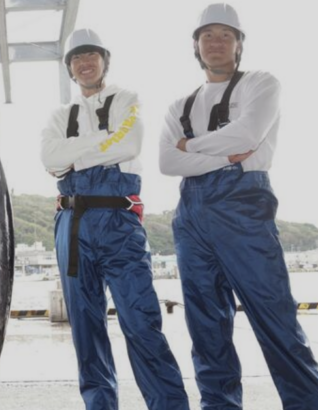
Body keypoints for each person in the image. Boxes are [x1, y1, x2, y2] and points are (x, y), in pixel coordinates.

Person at [160, 3, 318, 408]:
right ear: (195, 45)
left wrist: (190, 146)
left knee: (274, 318)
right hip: (191, 215)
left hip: (244, 205)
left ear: (239, 44)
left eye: (225, 35)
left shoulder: (261, 83)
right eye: (207, 35)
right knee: (206, 326)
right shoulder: (179, 104)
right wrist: (223, 151)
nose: (215, 42)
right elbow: (167, 162)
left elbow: (248, 133)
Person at [40, 28, 189, 410]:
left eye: (91, 55)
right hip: (71, 226)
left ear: (105, 60)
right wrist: (96, 148)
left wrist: (74, 155)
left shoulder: (127, 99)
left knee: (141, 323)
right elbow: (50, 159)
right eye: (76, 58)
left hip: (118, 221)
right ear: (70, 69)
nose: (84, 63)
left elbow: (130, 143)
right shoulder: (60, 114)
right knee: (86, 332)